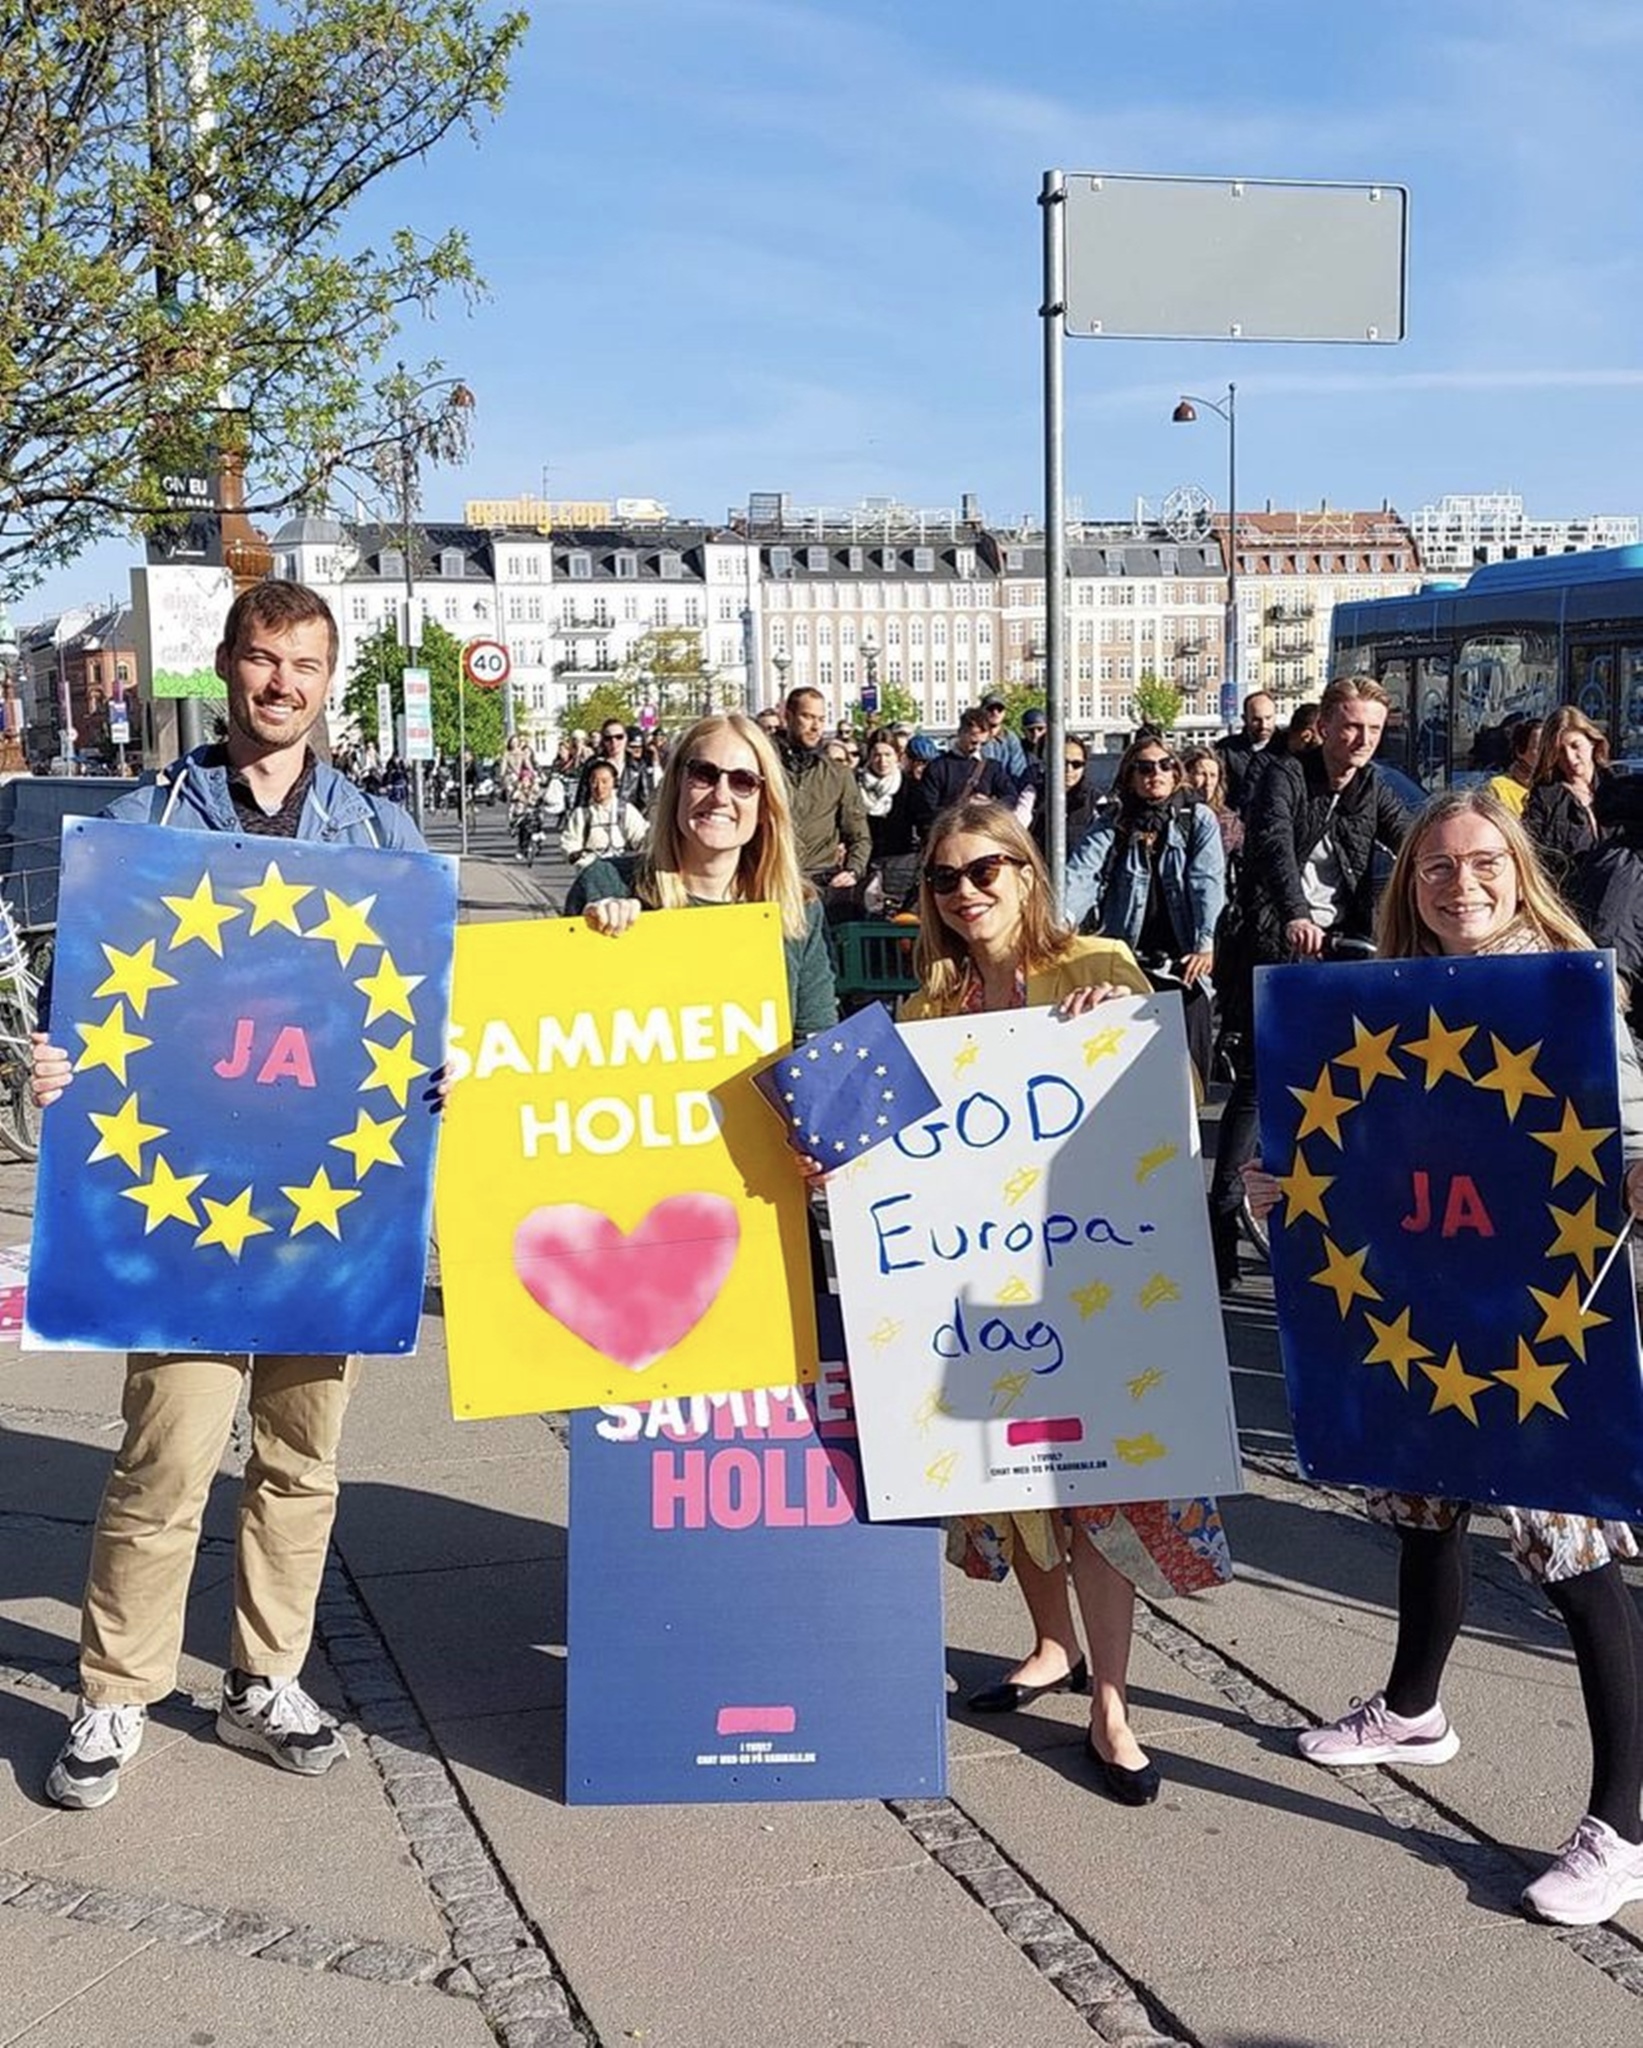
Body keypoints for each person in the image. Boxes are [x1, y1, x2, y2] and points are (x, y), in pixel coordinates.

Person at [31, 580, 426, 1811]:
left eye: (303, 665)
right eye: (261, 660)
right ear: (224, 665)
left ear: (329, 679)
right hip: (181, 1200)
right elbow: (77, 992)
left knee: (302, 1460)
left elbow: (437, 1009)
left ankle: (263, 1676)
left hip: (328, 1205)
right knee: (165, 1454)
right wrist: (51, 1056)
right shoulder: (143, 823)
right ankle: (116, 1688)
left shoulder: (382, 840)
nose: (280, 685)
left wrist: (448, 1069)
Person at [1243, 787, 1643, 1928]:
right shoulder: (1376, 989)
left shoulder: (1567, 993)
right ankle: (1412, 1707)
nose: (1455, 883)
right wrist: (1286, 1191)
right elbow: (1352, 1139)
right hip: (1427, 1300)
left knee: (1563, 1544)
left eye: (1478, 863)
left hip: (1541, 1320)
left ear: (1519, 870)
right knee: (1421, 1501)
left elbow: (1626, 1134)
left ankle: (1619, 1820)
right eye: (1432, 866)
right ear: (1405, 879)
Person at [901, 797, 1232, 1804]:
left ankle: (1112, 1703)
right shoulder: (931, 1005)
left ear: (1025, 871)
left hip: (1089, 1280)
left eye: (982, 871)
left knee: (1092, 1484)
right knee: (1006, 1478)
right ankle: (1050, 1645)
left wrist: (1116, 1040)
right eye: (943, 879)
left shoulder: (1097, 967)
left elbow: (1171, 1110)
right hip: (974, 1281)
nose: (964, 893)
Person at [1208, 678, 1409, 1293]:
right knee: (1262, 1080)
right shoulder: (1283, 773)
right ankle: (1221, 1215)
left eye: (1373, 730)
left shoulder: (1374, 787)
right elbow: (1271, 847)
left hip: (1339, 954)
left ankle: (1341, 1224)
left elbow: (1411, 839)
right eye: (1351, 727)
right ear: (1323, 725)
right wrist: (1296, 913)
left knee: (1349, 1082)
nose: (1362, 741)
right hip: (1272, 940)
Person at [566, 711, 836, 1038]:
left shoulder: (797, 908)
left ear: (766, 806)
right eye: (704, 774)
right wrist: (588, 940)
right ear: (677, 785)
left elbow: (815, 1046)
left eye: (743, 781)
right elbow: (565, 1034)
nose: (721, 796)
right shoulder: (607, 884)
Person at [1063, 735, 1225, 1083]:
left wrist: (1205, 943)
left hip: (1184, 962)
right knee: (1127, 1078)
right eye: (1145, 767)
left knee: (1191, 1075)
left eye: (1165, 765)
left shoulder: (1196, 818)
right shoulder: (1113, 821)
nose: (1156, 773)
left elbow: (1207, 882)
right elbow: (1082, 876)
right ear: (1130, 776)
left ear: (1176, 771)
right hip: (1127, 961)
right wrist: (1060, 925)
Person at [774, 686, 871, 914]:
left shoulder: (837, 774)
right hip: (774, 879)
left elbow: (859, 835)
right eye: (807, 717)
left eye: (821, 719)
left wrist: (853, 870)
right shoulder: (766, 766)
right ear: (788, 717)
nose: (816, 726)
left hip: (819, 885)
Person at [1524, 704, 1611, 889]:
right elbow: (1530, 855)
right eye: (1560, 751)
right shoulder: (1545, 798)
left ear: (1592, 741)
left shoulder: (1618, 788)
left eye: (1575, 746)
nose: (1570, 758)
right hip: (1570, 900)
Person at [911, 708, 1009, 837]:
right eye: (974, 742)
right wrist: (963, 807)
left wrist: (990, 805)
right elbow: (925, 811)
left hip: (983, 836)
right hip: (948, 837)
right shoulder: (937, 767)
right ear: (960, 733)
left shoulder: (993, 767)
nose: (977, 748)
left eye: (983, 744)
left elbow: (1011, 798)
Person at [560, 758, 648, 868]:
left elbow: (641, 838)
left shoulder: (626, 811)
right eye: (594, 782)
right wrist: (578, 858)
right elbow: (569, 843)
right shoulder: (581, 814)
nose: (599, 787)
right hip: (590, 872)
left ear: (614, 782)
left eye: (604, 781)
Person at [1180, 744, 1245, 871]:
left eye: (1213, 775)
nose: (1208, 782)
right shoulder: (1174, 813)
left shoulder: (1228, 820)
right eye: (1201, 774)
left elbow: (1245, 858)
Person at [1217, 690, 1279, 816]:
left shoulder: (1286, 748)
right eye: (1256, 720)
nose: (1264, 725)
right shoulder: (1227, 750)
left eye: (1268, 718)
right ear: (1245, 719)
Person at [1485, 716, 1543, 817]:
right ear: (1520, 751)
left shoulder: (1561, 788)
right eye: (1539, 748)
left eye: (1550, 747)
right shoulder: (1498, 789)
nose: (1546, 753)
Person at [978, 694, 1028, 799]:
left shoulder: (1011, 739)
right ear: (982, 711)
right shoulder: (976, 738)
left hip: (1005, 797)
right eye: (990, 708)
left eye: (999, 709)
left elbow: (1018, 772)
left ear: (1004, 713)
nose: (995, 712)